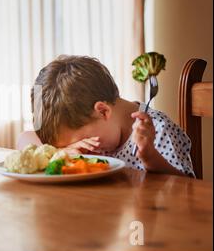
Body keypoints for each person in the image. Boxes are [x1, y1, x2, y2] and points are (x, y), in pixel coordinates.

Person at [17, 55, 194, 177]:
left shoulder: (157, 130)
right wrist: (60, 152)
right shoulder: (96, 127)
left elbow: (186, 189)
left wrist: (149, 156)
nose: (77, 147)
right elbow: (23, 139)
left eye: (82, 140)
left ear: (103, 111)